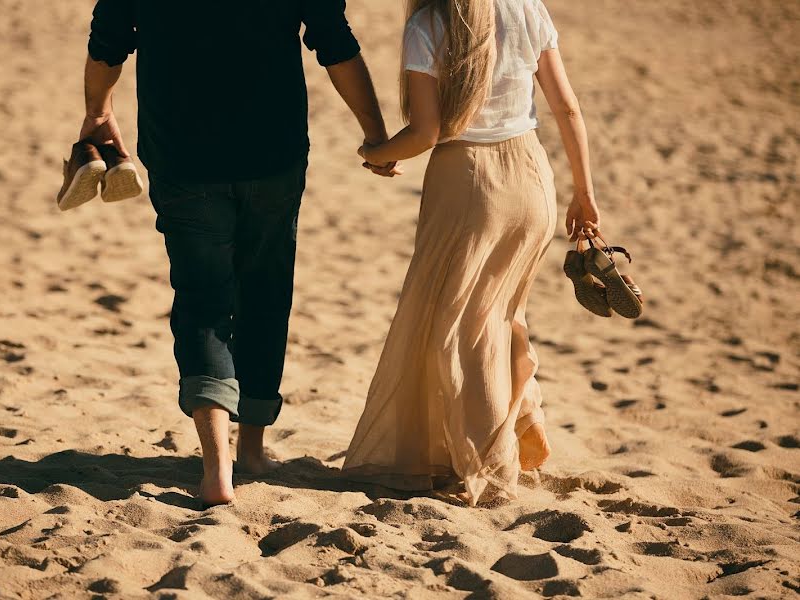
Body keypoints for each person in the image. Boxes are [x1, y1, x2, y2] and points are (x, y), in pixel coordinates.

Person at [79, 1, 399, 506]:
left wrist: (98, 110)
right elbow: (334, 42)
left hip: (183, 156)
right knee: (266, 292)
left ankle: (216, 470)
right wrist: (375, 132)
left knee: (202, 301)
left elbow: (108, 39)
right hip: (272, 154)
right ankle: (251, 449)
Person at [343, 0, 602, 506]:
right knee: (503, 315)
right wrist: (585, 193)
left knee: (464, 329)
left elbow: (426, 133)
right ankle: (516, 433)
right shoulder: (528, 8)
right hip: (533, 180)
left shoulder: (428, 24)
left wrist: (374, 153)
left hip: (469, 185)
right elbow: (567, 108)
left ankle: (492, 467)